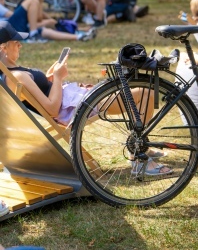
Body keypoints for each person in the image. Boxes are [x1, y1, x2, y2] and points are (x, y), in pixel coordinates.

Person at [0, 21, 169, 174]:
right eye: (16, 42)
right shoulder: (16, 77)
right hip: (73, 106)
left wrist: (50, 78)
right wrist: (58, 78)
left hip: (73, 97)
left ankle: (140, 146)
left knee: (138, 88)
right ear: (3, 48)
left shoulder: (14, 72)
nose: (20, 45)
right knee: (146, 93)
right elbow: (51, 108)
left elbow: (39, 93)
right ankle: (138, 153)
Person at [7, 0, 96, 43]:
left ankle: (79, 36)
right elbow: (39, 19)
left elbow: (39, 17)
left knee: (48, 26)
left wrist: (52, 21)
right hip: (17, 29)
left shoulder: (31, 0)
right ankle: (34, 36)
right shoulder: (32, 0)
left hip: (23, 29)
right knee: (48, 24)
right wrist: (41, 2)